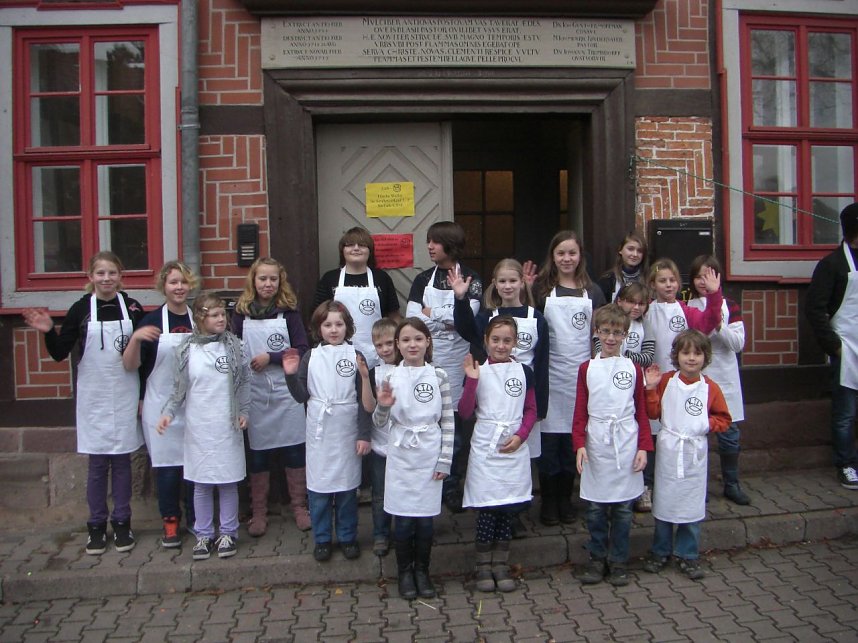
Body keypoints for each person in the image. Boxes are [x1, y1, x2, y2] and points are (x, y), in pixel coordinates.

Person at [23, 251, 144, 555]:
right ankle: (96, 526)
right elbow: (59, 353)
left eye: (112, 273)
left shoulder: (133, 308)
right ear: (90, 278)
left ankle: (122, 523)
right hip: (94, 397)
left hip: (125, 392)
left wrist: (144, 395)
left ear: (121, 276)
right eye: (100, 273)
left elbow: (145, 358)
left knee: (122, 463)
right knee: (97, 464)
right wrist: (49, 331)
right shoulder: (80, 310)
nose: (106, 279)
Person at [158, 293, 251, 561]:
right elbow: (178, 389)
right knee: (201, 482)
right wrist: (168, 413)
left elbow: (244, 382)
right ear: (200, 318)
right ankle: (203, 534)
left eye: (223, 314)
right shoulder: (186, 350)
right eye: (214, 315)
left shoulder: (236, 347)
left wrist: (244, 411)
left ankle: (228, 532)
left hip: (227, 424)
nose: (221, 319)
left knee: (227, 480)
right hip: (199, 426)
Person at [283, 301, 372, 562]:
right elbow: (301, 396)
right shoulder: (311, 357)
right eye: (327, 324)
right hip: (320, 431)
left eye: (339, 324)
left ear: (348, 327)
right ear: (318, 328)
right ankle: (322, 538)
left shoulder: (356, 355)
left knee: (346, 489)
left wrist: (363, 434)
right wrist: (290, 375)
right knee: (320, 489)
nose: (334, 330)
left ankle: (347, 536)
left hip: (347, 428)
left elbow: (364, 399)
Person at [372, 318, 455, 600]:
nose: (412, 345)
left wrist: (444, 460)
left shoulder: (439, 376)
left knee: (425, 521)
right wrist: (383, 407)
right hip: (401, 456)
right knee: (404, 521)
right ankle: (405, 573)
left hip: (429, 455)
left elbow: (448, 420)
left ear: (428, 342)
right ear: (397, 345)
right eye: (406, 340)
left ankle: (423, 570)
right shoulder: (390, 378)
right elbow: (380, 422)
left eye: (418, 339)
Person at [572, 305, 653, 586]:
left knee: (622, 510)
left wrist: (643, 447)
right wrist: (579, 444)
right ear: (596, 332)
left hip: (626, 442)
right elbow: (580, 411)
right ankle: (596, 558)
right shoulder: (587, 368)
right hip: (597, 444)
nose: (610, 338)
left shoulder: (633, 368)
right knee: (595, 509)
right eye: (605, 331)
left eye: (617, 333)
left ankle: (618, 561)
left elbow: (641, 412)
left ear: (625, 335)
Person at [406, 221, 482, 513]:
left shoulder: (472, 278)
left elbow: (467, 319)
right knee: (427, 424)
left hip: (457, 360)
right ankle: (427, 484)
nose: (429, 246)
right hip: (427, 360)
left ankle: (450, 487)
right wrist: (443, 316)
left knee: (455, 432)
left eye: (435, 242)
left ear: (450, 244)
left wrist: (432, 314)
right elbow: (414, 319)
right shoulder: (422, 278)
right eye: (428, 241)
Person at [642, 330, 731, 580]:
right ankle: (660, 550)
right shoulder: (667, 381)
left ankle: (688, 554)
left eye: (697, 353)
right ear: (676, 356)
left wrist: (705, 424)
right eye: (686, 353)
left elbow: (724, 419)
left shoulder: (710, 388)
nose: (691, 358)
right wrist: (650, 389)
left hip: (693, 453)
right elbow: (653, 412)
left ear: (705, 357)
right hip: (670, 450)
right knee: (665, 502)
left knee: (690, 505)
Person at [532, 230, 607, 526]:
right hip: (550, 376)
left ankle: (567, 498)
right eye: (561, 253)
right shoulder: (540, 289)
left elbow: (600, 333)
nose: (566, 259)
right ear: (553, 256)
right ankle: (549, 500)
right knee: (550, 444)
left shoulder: (594, 291)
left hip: (581, 376)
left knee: (573, 441)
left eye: (572, 253)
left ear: (580, 257)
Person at [122, 261, 198, 548]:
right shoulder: (150, 322)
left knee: (194, 467)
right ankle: (170, 521)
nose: (179, 287)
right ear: (163, 287)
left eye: (183, 282)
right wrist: (135, 339)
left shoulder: (198, 320)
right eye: (173, 282)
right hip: (159, 405)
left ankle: (196, 517)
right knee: (167, 469)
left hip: (195, 404)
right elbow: (131, 366)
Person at [232, 257, 311, 536]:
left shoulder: (288, 313)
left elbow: (302, 348)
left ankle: (299, 507)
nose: (268, 284)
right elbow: (234, 349)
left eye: (273, 279)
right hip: (254, 393)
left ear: (281, 281)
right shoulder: (241, 314)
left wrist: (272, 357)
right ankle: (259, 512)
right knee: (258, 455)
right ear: (253, 280)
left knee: (293, 450)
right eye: (262, 278)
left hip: (286, 391)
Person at [458, 316, 536, 593]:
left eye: (507, 340)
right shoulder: (479, 371)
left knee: (507, 510)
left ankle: (501, 564)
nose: (501, 346)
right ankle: (482, 566)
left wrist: (521, 435)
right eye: (496, 340)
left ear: (515, 343)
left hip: (513, 447)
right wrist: (471, 381)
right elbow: (466, 412)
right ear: (486, 341)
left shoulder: (524, 372)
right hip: (487, 449)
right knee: (488, 511)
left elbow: (530, 409)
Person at [688, 255, 751, 505]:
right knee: (696, 436)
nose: (704, 281)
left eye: (709, 275)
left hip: (725, 380)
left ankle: (731, 483)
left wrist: (719, 325)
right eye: (698, 276)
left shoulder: (730, 305)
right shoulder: (687, 306)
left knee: (729, 435)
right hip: (697, 380)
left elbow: (737, 344)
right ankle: (695, 486)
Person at [806, 203, 858, 490]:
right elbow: (815, 309)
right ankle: (846, 463)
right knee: (845, 412)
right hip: (847, 348)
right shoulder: (832, 265)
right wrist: (834, 346)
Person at [313, 227, 402, 368]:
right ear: (342, 250)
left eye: (362, 245)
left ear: (370, 251)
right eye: (350, 245)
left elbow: (394, 316)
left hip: (378, 353)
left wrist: (398, 346)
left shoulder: (381, 278)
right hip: (337, 354)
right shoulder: (330, 278)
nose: (356, 248)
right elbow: (318, 318)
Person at [364, 317, 398, 557]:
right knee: (380, 493)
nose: (385, 349)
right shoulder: (375, 372)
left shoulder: (412, 368)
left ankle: (407, 530)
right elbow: (367, 406)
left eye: (389, 343)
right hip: (381, 443)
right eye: (379, 345)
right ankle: (380, 534)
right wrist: (365, 378)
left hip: (407, 444)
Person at [597, 230, 649, 303]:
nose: (635, 254)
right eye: (630, 249)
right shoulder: (607, 280)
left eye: (639, 251)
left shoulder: (649, 279)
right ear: (620, 250)